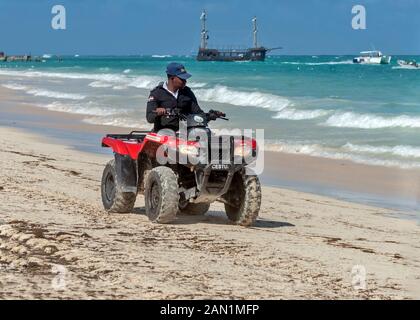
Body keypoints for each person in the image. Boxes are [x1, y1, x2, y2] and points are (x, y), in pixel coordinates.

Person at [146, 62, 223, 132]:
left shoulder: (187, 92)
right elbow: (149, 118)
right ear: (172, 78)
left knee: (205, 133)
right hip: (163, 134)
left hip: (184, 134)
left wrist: (210, 115)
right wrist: (158, 113)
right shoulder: (156, 93)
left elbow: (198, 114)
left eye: (185, 79)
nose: (185, 81)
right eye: (182, 79)